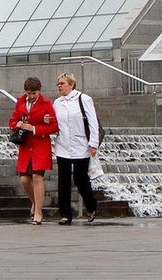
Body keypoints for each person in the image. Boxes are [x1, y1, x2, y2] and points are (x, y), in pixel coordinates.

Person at [8, 76, 57, 225]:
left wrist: (34, 128)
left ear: (39, 91)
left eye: (34, 93)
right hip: (25, 146)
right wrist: (18, 125)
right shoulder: (20, 102)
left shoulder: (46, 103)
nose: (31, 96)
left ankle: (38, 212)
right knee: (24, 179)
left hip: (40, 144)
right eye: (29, 93)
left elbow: (54, 127)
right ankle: (35, 202)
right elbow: (12, 121)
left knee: (37, 176)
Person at [51, 73, 99, 224]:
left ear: (71, 84)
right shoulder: (57, 103)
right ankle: (65, 214)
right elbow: (55, 122)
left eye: (63, 83)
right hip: (63, 145)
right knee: (63, 180)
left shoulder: (83, 99)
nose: (60, 86)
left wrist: (93, 143)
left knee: (81, 179)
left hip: (81, 145)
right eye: (58, 83)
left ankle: (91, 205)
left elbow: (93, 122)